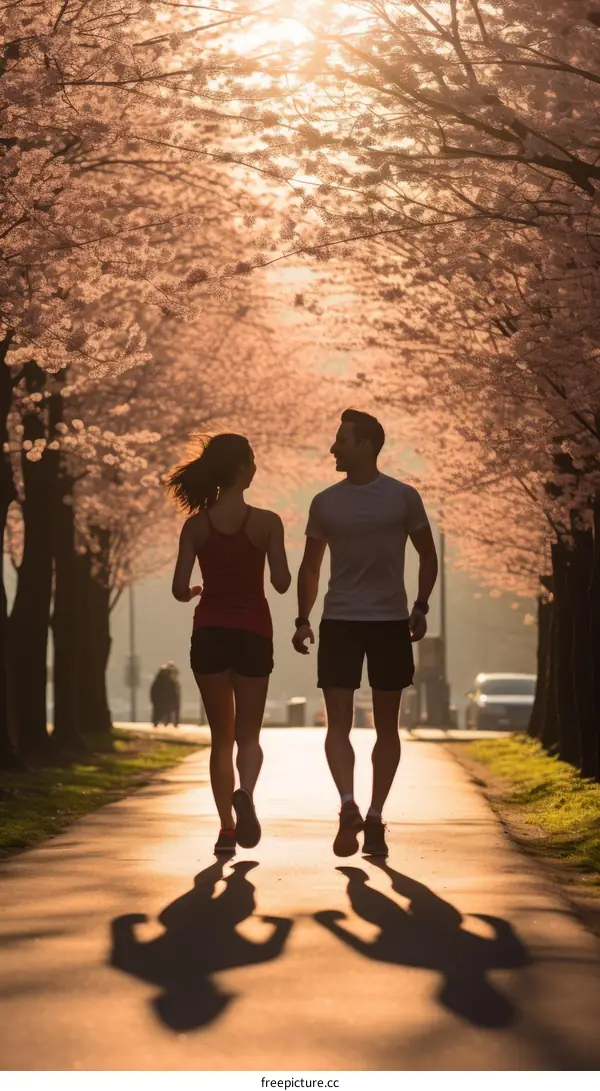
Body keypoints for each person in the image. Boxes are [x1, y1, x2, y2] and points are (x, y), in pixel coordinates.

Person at [293, 409, 438, 858]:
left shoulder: (404, 498)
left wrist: (420, 606)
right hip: (340, 621)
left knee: (384, 727)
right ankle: (352, 808)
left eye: (341, 440)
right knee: (342, 724)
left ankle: (370, 813)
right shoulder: (324, 502)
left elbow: (428, 557)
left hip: (390, 622)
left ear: (367, 446)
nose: (333, 448)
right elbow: (311, 566)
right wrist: (303, 618)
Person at [168, 434, 291, 855]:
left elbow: (179, 590)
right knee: (248, 736)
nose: (256, 468)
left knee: (220, 738)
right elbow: (281, 582)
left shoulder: (196, 526)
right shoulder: (268, 522)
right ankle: (248, 796)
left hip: (210, 634)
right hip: (254, 632)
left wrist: (199, 588)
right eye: (252, 462)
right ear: (240, 468)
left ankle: (225, 829)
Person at [150, 662, 180, 727]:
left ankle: (167, 721)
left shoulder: (169, 681)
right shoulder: (165, 681)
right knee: (160, 710)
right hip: (162, 698)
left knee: (164, 710)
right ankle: (158, 721)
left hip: (165, 698)